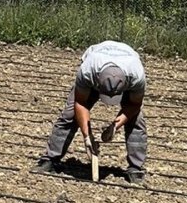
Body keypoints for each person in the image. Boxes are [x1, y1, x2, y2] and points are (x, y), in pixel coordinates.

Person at [34, 41, 147, 183]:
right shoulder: (88, 71)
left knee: (136, 120)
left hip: (127, 68)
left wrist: (115, 126)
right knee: (69, 114)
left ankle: (136, 169)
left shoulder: (136, 75)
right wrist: (87, 137)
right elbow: (80, 103)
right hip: (94, 69)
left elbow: (134, 104)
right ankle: (50, 159)